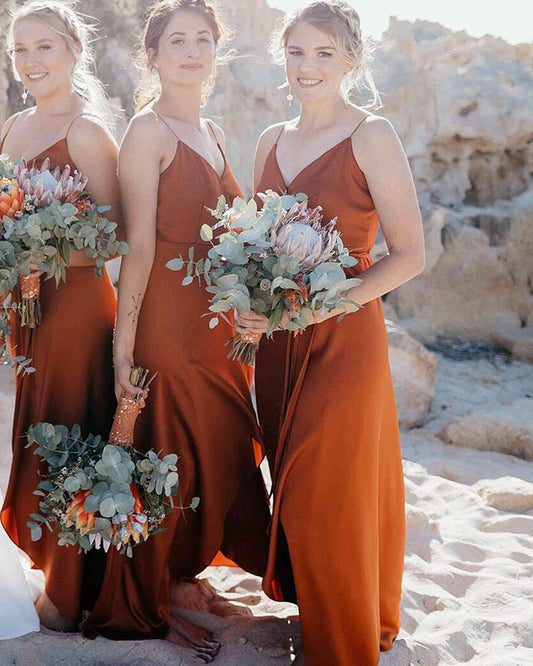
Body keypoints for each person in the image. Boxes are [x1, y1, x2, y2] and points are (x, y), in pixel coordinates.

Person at [236, 2, 425, 664]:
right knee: (293, 484)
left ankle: (341, 648)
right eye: (295, 52)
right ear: (279, 56)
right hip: (278, 347)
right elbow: (256, 248)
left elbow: (408, 254)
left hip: (344, 340)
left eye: (322, 53)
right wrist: (253, 306)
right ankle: (322, 610)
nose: (306, 67)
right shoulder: (267, 141)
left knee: (327, 485)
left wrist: (322, 307)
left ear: (350, 60)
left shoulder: (370, 135)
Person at [82, 1, 270, 660]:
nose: (191, 51)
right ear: (153, 56)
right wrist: (124, 341)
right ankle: (146, 594)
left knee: (218, 445)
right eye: (176, 41)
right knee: (168, 450)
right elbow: (135, 248)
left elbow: (236, 235)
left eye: (201, 40)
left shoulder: (214, 131)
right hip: (165, 320)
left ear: (216, 50)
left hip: (217, 326)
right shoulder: (148, 131)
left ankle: (179, 573)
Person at [0, 0, 122, 633]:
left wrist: (36, 250)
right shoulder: (14, 127)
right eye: (20, 49)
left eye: (44, 46)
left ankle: (73, 591)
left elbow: (116, 232)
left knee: (69, 431)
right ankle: (50, 568)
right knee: (33, 429)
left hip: (75, 308)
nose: (30, 60)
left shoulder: (88, 134)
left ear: (74, 53)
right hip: (25, 310)